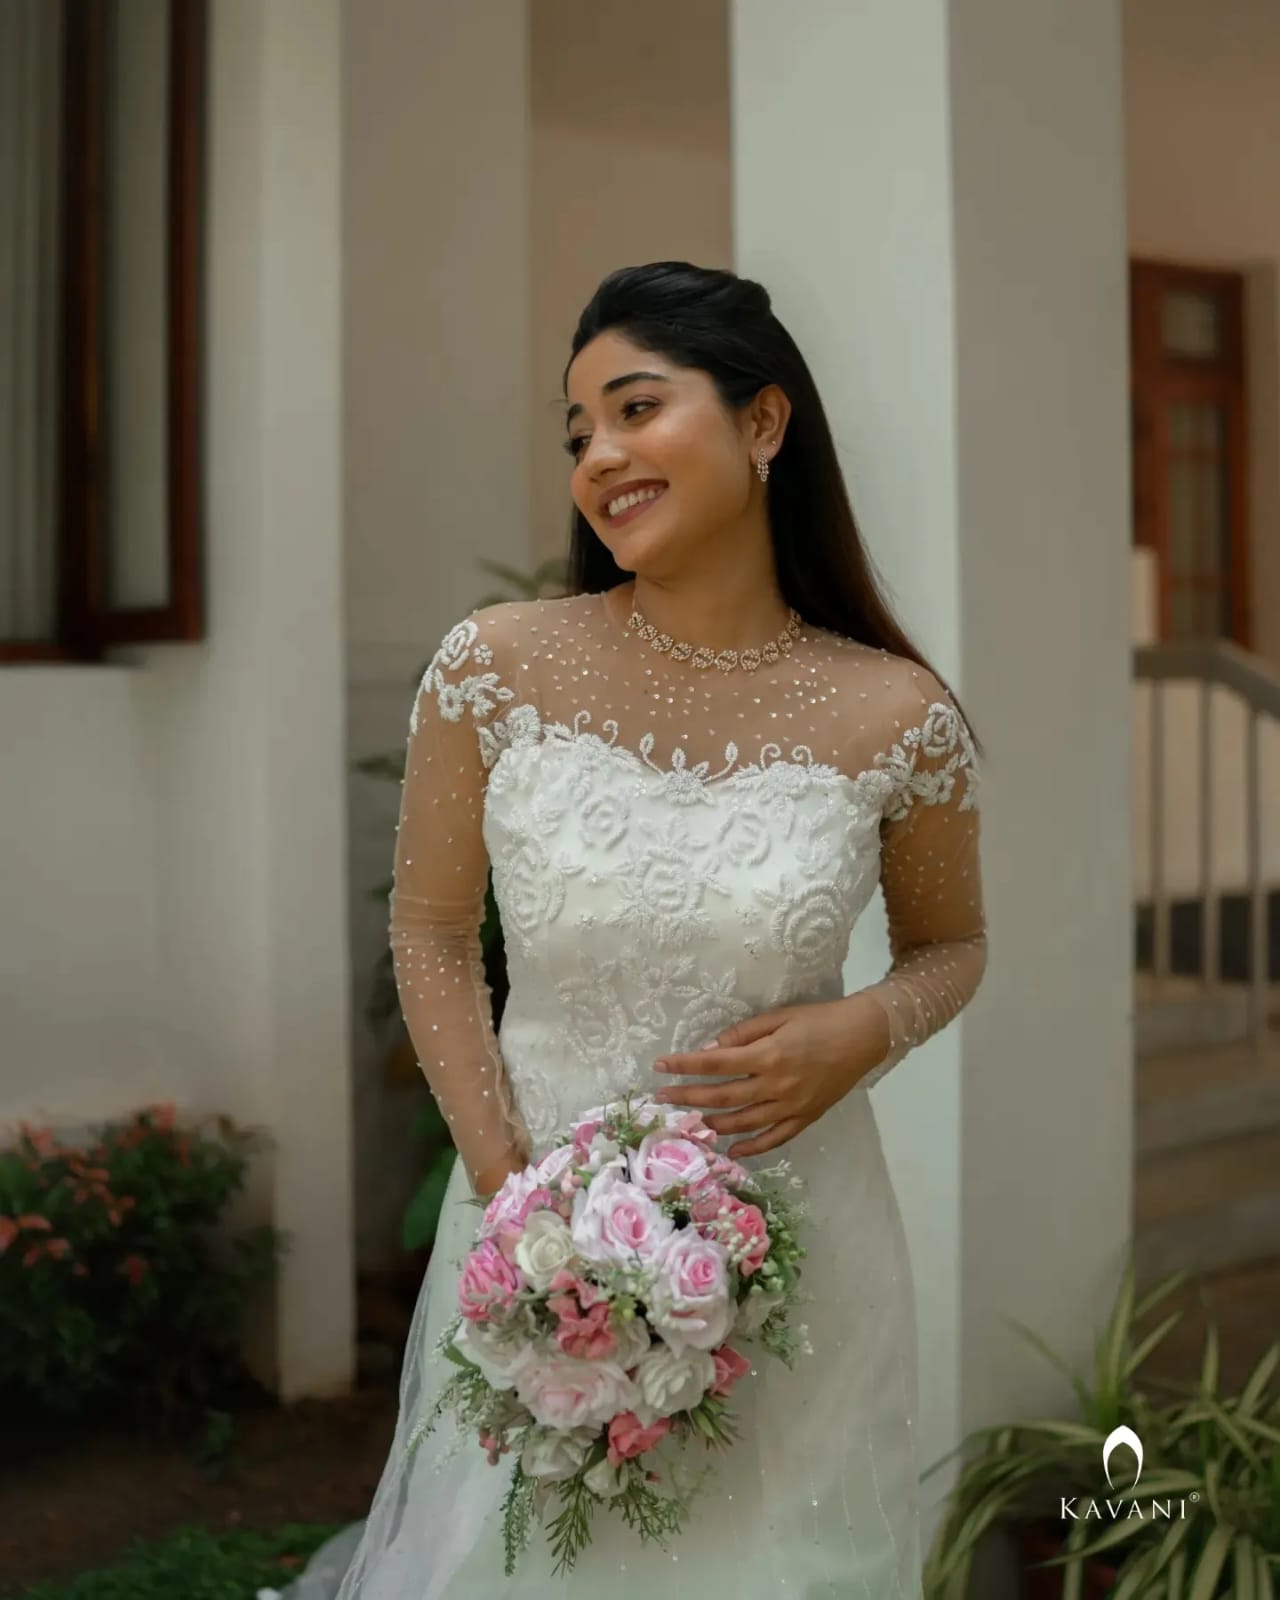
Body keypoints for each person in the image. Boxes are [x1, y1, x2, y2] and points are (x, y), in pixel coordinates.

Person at [294, 261, 988, 1600]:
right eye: (577, 433)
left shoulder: (897, 715)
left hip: (802, 1254)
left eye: (633, 408)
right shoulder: (494, 667)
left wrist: (865, 1028)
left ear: (764, 421)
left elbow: (951, 947)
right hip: (534, 1249)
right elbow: (430, 932)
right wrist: (514, 1188)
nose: (600, 456)